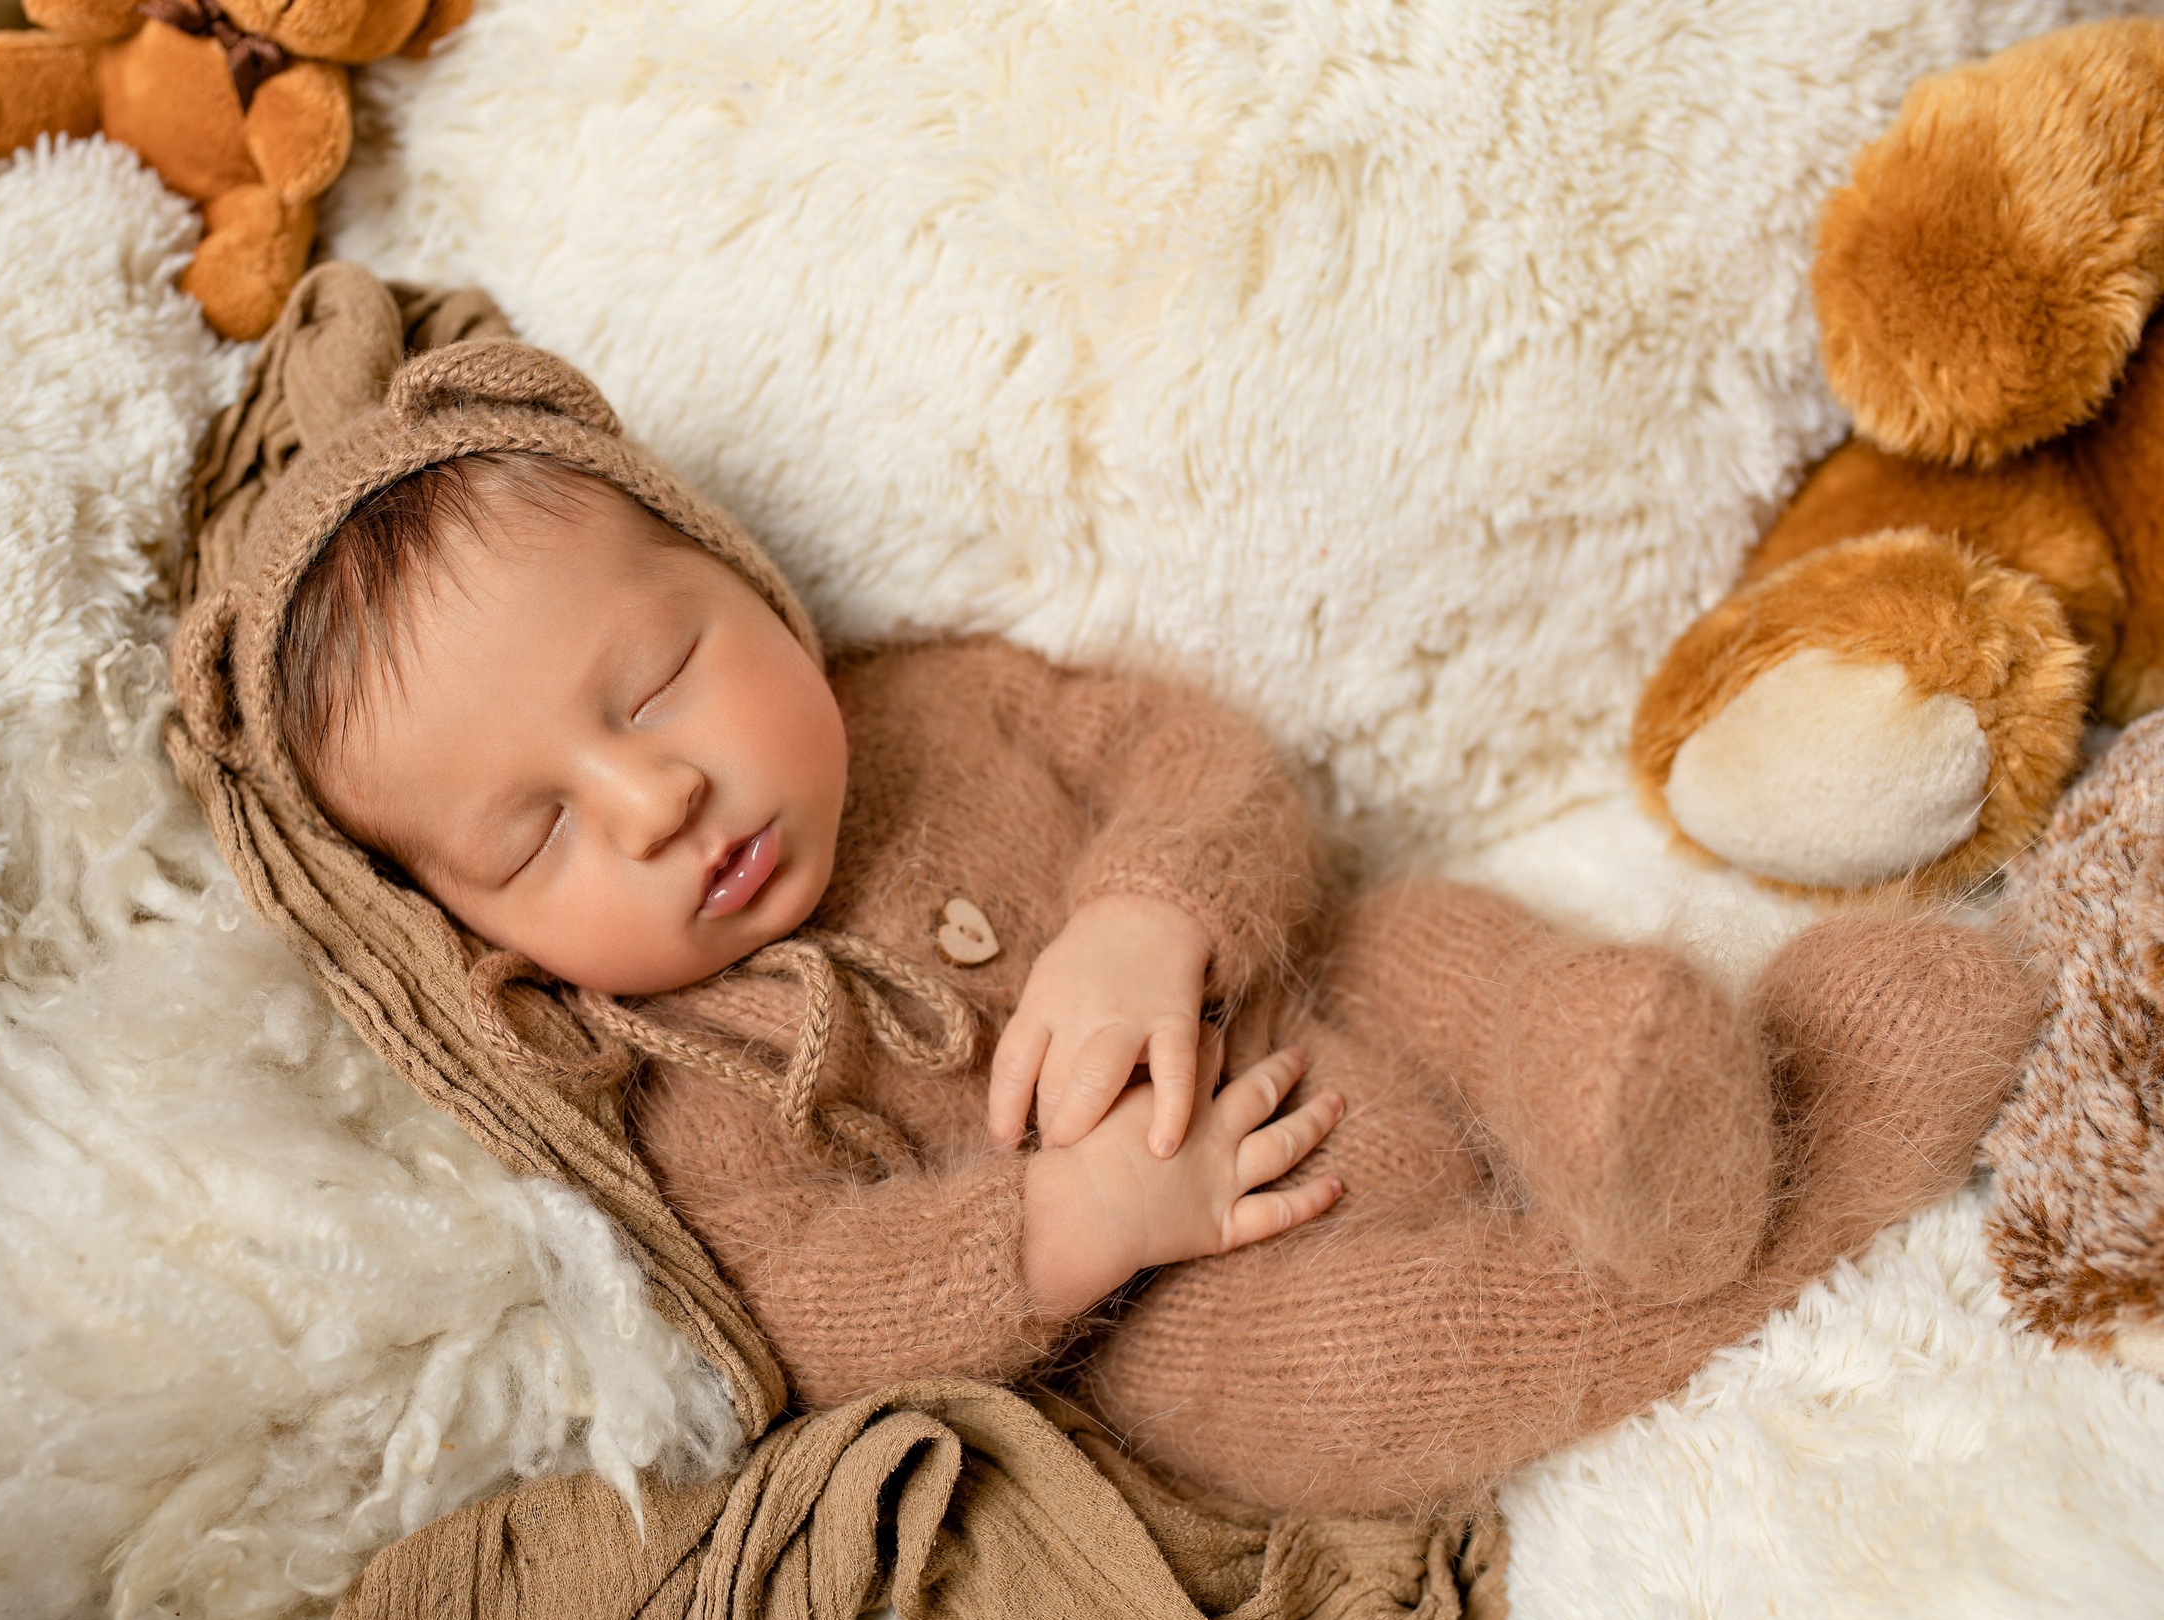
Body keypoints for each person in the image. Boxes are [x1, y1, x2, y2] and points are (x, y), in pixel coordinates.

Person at [201, 330, 2037, 1518]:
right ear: (476, 946)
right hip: (1202, 1297)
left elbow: (1209, 766)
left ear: (738, 575)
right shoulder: (691, 1083)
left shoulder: (945, 701)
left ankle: (1634, 1094)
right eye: (536, 837)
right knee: (1368, 1370)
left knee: (1448, 949)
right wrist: (1075, 1221)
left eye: (662, 680)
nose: (654, 800)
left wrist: (1152, 915)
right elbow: (819, 1311)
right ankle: (1802, 1168)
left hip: (1325, 1008)